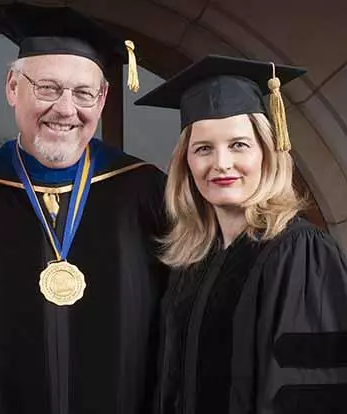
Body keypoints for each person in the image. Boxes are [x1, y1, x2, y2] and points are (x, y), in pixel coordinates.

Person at [0, 4, 169, 414]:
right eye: (47, 88)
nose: (66, 109)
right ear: (13, 87)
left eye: (84, 93)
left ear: (102, 100)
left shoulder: (143, 191)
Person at [135, 54, 347, 414]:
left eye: (238, 145)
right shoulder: (193, 259)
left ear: (268, 152)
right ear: (186, 163)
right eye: (203, 149)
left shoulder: (299, 253)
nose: (221, 163)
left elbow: (311, 394)